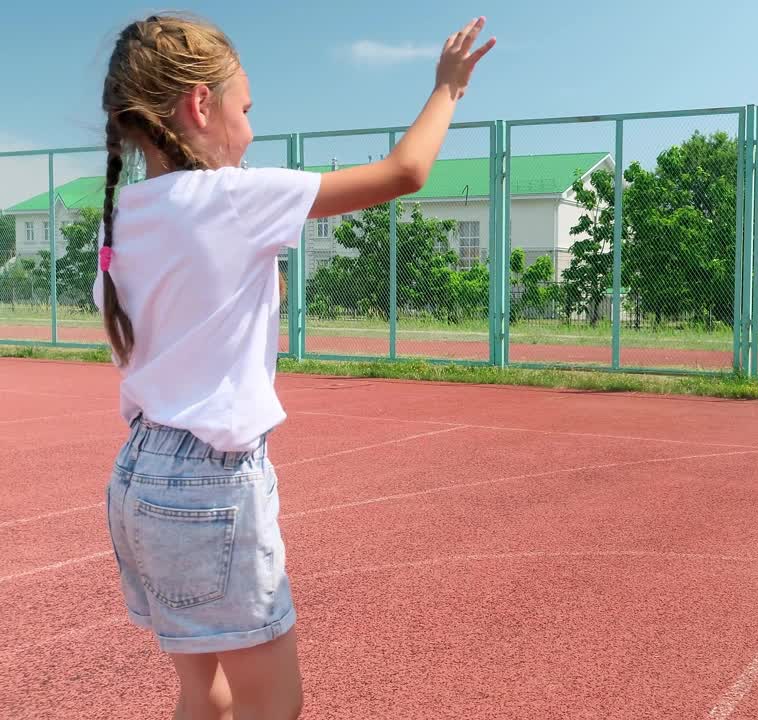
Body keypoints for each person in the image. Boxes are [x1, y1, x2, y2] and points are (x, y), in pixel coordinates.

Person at [93, 13, 494, 718]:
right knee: (273, 706)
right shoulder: (229, 197)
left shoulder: (124, 215)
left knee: (204, 695)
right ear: (200, 106)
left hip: (139, 476)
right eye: (245, 110)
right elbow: (406, 172)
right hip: (209, 481)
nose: (250, 131)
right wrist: (448, 88)